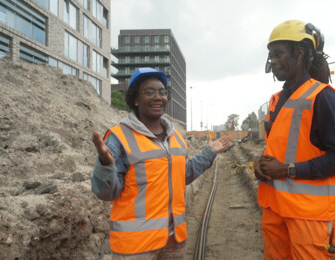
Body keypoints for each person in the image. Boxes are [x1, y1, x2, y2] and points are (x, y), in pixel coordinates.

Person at [91, 67, 231, 259]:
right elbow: (106, 193)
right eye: (149, 92)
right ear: (135, 99)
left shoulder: (175, 137)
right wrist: (105, 165)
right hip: (136, 247)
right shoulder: (119, 138)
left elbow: (181, 176)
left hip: (174, 240)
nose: (158, 97)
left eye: (162, 92)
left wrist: (209, 153)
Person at [254, 20, 335, 260]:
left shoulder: (323, 97)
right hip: (274, 210)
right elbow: (285, 148)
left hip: (308, 217)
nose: (273, 61)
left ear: (299, 53)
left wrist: (287, 170)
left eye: (278, 54)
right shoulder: (277, 101)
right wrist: (260, 165)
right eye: (271, 56)